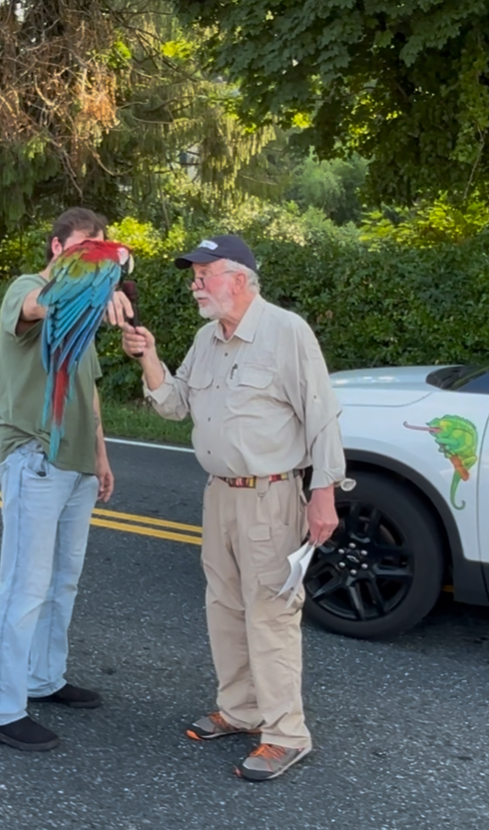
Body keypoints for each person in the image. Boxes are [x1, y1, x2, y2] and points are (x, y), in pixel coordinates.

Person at [116, 234, 347, 782]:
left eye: (205, 276)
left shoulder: (285, 331)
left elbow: (322, 415)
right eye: (194, 277)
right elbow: (175, 405)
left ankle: (286, 734)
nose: (195, 286)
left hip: (271, 494)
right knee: (223, 606)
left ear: (239, 279)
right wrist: (149, 356)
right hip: (219, 493)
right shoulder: (207, 338)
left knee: (270, 613)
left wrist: (324, 493)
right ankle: (242, 709)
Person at [0, 207, 134, 752]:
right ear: (57, 247)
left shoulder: (84, 315)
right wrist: (87, 288)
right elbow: (32, 308)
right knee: (24, 584)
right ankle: (2, 707)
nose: (94, 261)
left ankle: (44, 678)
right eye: (85, 249)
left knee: (63, 582)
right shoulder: (29, 288)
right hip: (35, 455)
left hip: (78, 465)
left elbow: (89, 392)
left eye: (101, 251)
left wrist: (101, 458)